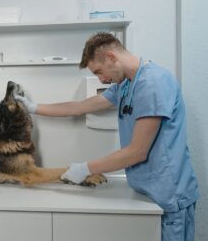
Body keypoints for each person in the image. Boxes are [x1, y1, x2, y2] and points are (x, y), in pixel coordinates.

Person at [15, 32, 199, 241]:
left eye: (99, 71)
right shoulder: (126, 84)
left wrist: (85, 169)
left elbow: (137, 152)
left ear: (111, 57)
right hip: (146, 191)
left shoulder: (152, 83)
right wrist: (34, 107)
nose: (101, 79)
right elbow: (81, 106)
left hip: (168, 195)